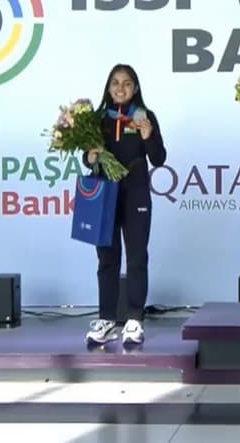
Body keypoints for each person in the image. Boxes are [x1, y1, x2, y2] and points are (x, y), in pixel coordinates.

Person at [83, 64, 166, 346]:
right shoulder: (97, 119)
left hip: (136, 194)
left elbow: (159, 158)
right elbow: (87, 158)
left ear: (136, 88)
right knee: (106, 258)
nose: (121, 88)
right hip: (105, 193)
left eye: (127, 83)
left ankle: (134, 319)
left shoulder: (144, 116)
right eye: (115, 83)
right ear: (108, 87)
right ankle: (106, 319)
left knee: (136, 257)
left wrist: (148, 136)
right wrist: (91, 157)